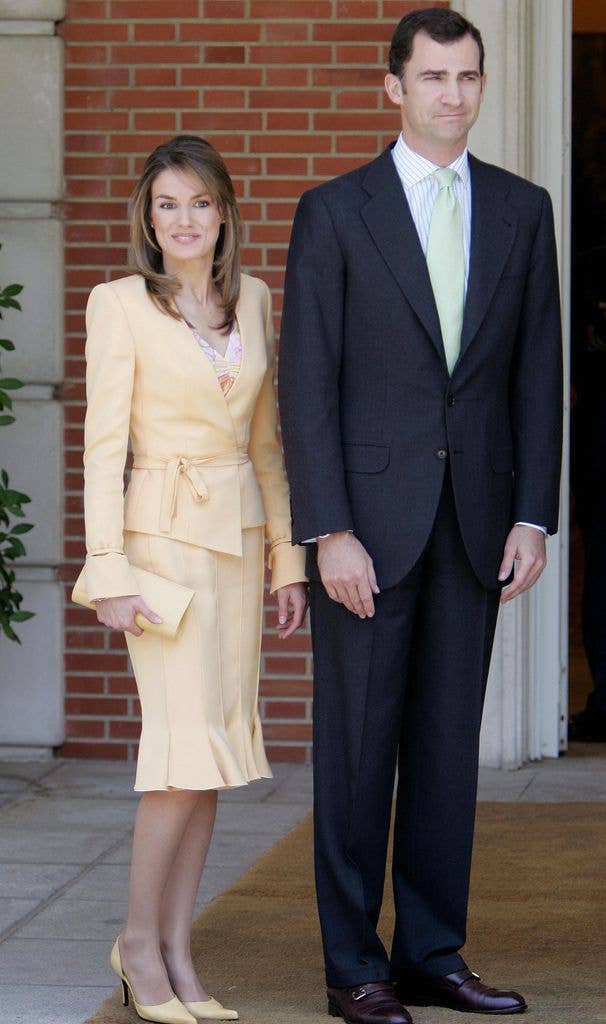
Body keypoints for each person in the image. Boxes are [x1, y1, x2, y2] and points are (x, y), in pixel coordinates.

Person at [279, 8, 562, 1022]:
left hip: (477, 524)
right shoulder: (336, 211)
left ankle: (433, 953)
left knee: (446, 752)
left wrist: (534, 512)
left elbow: (539, 375)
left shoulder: (525, 212)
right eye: (434, 77)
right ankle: (354, 964)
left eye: (468, 78)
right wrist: (327, 529)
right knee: (357, 754)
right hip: (367, 531)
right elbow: (306, 382)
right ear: (393, 87)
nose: (453, 95)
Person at [82, 135, 307, 1024]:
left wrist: (287, 560)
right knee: (176, 755)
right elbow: (102, 452)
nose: (183, 220)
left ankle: (177, 947)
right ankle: (138, 945)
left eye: (200, 203)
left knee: (209, 759)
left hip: (238, 549)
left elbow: (266, 445)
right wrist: (109, 573)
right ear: (148, 215)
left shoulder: (251, 299)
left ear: (224, 214)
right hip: (159, 554)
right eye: (167, 204)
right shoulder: (118, 305)